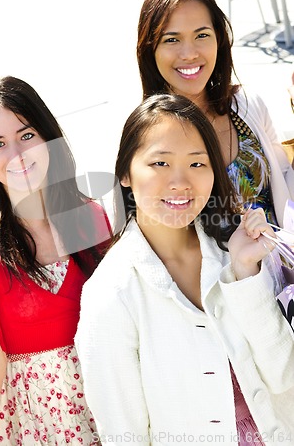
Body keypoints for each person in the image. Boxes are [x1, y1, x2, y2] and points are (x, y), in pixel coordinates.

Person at [76, 94, 294, 445]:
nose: (180, 181)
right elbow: (124, 434)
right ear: (125, 173)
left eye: (197, 163)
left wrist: (245, 273)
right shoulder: (111, 294)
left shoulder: (234, 248)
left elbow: (285, 376)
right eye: (160, 163)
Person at [0, 76, 112, 445]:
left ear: (48, 138)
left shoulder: (89, 216)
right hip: (28, 423)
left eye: (26, 135)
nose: (16, 155)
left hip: (107, 408)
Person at [136, 0, 294, 228]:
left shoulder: (247, 104)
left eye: (202, 35)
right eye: (171, 39)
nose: (189, 54)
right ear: (149, 49)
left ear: (218, 39)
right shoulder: (146, 138)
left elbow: (285, 180)